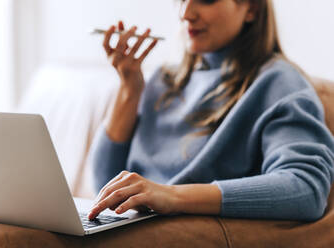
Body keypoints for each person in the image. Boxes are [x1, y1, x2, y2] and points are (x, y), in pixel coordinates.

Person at [87, 0, 334, 221]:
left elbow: (306, 189)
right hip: (133, 227)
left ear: (251, 9)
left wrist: (171, 196)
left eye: (206, 0)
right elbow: (104, 185)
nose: (186, 13)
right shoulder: (164, 80)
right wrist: (130, 89)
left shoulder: (279, 82)